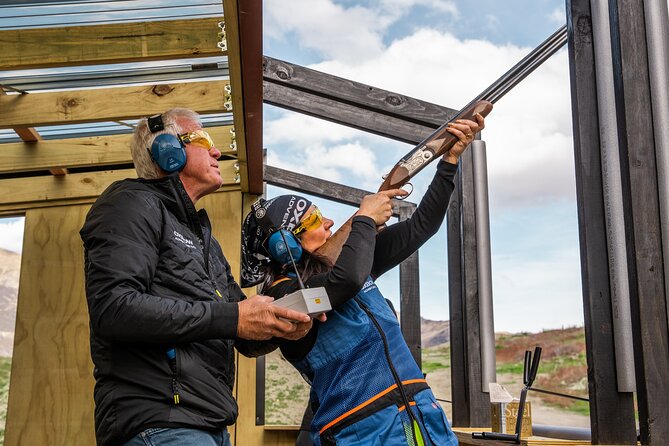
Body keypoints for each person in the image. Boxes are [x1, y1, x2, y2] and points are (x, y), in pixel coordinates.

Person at [240, 113, 485, 446]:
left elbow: (421, 226)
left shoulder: (341, 266)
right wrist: (365, 220)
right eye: (312, 218)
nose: (327, 221)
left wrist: (449, 162)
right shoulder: (283, 298)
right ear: (285, 244)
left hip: (421, 419)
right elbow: (346, 282)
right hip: (363, 432)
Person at [80, 108, 319, 446]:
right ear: (167, 151)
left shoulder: (205, 240)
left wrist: (281, 325)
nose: (216, 151)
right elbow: (114, 309)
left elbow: (240, 331)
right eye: (203, 140)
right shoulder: (130, 205)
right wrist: (234, 317)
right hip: (159, 420)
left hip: (207, 424)